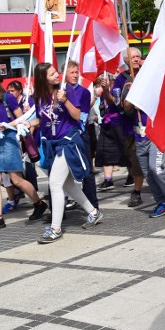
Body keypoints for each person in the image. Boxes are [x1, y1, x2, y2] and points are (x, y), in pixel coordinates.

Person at [32, 62, 102, 243]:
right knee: (67, 184)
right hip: (53, 145)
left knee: (54, 184)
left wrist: (65, 101)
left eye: (56, 72)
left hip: (68, 143)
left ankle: (55, 228)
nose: (57, 75)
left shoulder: (65, 92)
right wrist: (27, 124)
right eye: (52, 73)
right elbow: (42, 120)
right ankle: (93, 213)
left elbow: (79, 116)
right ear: (43, 78)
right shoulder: (40, 97)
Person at [0, 71, 48, 232]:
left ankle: (39, 203)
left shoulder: (7, 98)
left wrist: (7, 124)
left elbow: (21, 120)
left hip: (10, 141)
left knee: (16, 180)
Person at [123, 81, 165, 218]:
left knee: (156, 169)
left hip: (155, 136)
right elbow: (125, 107)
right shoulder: (131, 85)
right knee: (148, 174)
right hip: (139, 138)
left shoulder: (155, 85)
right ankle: (161, 202)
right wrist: (132, 95)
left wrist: (142, 102)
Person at [64, 61, 100, 215]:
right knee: (60, 175)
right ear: (64, 74)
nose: (75, 75)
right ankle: (56, 210)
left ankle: (93, 205)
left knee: (87, 171)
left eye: (76, 72)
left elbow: (82, 117)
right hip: (62, 138)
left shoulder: (84, 92)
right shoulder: (59, 91)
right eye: (71, 72)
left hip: (80, 134)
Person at [113, 48, 146, 207]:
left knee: (149, 163)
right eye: (132, 57)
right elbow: (117, 103)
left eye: (138, 56)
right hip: (130, 126)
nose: (135, 59)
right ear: (126, 61)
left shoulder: (148, 73)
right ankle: (137, 188)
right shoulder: (121, 78)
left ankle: (140, 190)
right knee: (134, 160)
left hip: (149, 124)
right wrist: (107, 91)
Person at [95, 75, 126, 190]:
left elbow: (115, 103)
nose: (102, 82)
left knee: (124, 150)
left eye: (104, 80)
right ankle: (108, 179)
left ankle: (131, 175)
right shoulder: (103, 92)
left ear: (111, 80)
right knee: (105, 151)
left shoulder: (116, 89)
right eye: (100, 81)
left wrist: (107, 90)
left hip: (118, 122)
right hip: (106, 123)